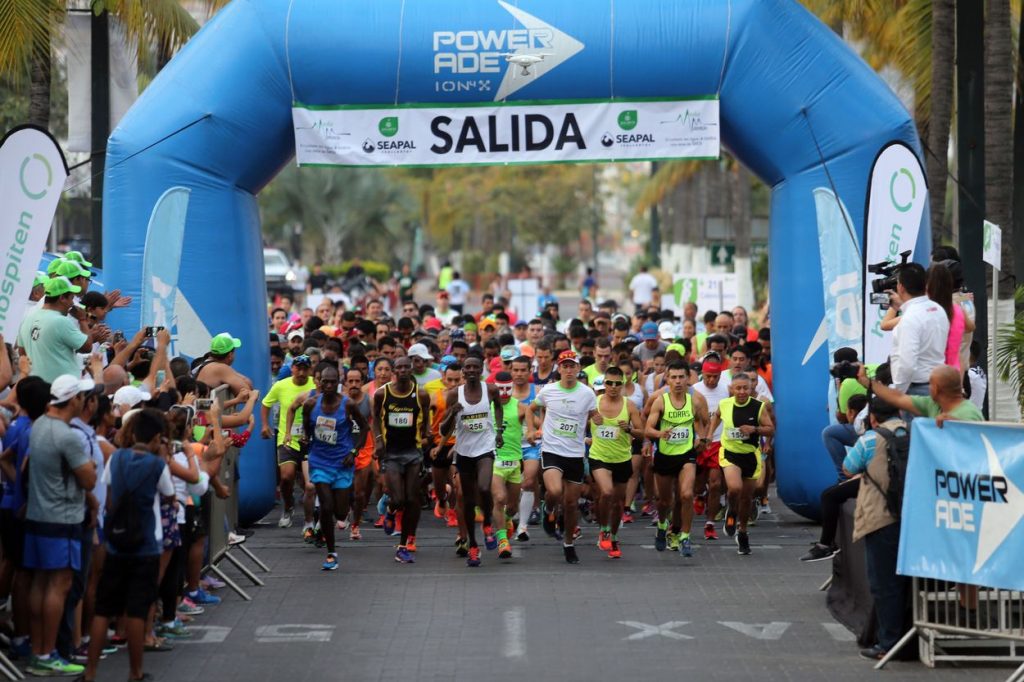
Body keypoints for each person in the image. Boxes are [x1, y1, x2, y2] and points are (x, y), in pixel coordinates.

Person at [80, 408, 174, 682]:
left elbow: (109, 497)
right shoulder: (157, 465)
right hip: (146, 544)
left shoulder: (117, 458)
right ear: (157, 438)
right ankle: (134, 672)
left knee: (103, 609)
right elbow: (168, 496)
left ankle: (91, 672)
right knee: (136, 609)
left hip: (117, 542)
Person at [23, 375, 97, 677]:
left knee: (41, 585)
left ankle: (39, 651)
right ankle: (47, 652)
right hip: (62, 517)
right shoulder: (65, 435)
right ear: (75, 400)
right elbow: (89, 478)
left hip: (39, 515)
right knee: (59, 586)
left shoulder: (39, 424)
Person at [840, 397, 909, 660]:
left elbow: (848, 468)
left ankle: (888, 643)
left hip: (881, 517)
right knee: (906, 581)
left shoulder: (870, 439)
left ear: (872, 418)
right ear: (899, 412)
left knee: (884, 583)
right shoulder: (914, 435)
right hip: (911, 518)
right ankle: (906, 638)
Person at [531, 350, 600, 564]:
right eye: (565, 366)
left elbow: (592, 416)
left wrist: (596, 423)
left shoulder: (587, 393)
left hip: (575, 453)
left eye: (572, 366)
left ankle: (569, 543)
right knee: (554, 490)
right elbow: (531, 409)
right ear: (558, 369)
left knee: (571, 504)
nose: (569, 370)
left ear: (578, 369)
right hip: (552, 449)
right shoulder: (548, 391)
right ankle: (548, 508)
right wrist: (533, 429)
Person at [436, 356, 504, 567]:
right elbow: (444, 429)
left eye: (476, 367)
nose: (472, 370)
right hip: (464, 452)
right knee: (467, 500)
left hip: (485, 448)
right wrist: (452, 413)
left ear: (481, 369)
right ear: (463, 372)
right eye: (468, 367)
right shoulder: (455, 394)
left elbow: (499, 408)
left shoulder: (490, 390)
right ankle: (473, 546)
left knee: (484, 487)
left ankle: (487, 525)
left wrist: (499, 430)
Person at [300, 366, 370, 571]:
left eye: (332, 382)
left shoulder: (347, 405)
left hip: (342, 462)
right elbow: (306, 428)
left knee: (339, 513)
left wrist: (354, 452)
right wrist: (306, 440)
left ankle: (341, 514)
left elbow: (364, 427)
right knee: (326, 506)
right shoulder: (311, 405)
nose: (328, 385)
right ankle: (331, 553)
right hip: (319, 461)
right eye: (325, 382)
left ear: (338, 382)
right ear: (319, 383)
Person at [704, 372, 774, 555]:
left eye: (745, 388)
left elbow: (770, 429)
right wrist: (711, 433)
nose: (742, 391)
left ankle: (742, 532)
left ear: (751, 389)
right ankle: (731, 511)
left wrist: (755, 429)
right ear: (731, 389)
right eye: (738, 388)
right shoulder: (725, 404)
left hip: (750, 456)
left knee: (747, 498)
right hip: (730, 453)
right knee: (734, 488)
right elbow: (717, 416)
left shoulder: (758, 407)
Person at [645, 361, 710, 556]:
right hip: (665, 455)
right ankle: (663, 525)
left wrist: (701, 439)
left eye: (682, 377)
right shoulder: (660, 401)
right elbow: (648, 429)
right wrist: (659, 434)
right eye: (674, 377)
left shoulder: (695, 401)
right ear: (667, 379)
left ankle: (684, 536)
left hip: (686, 455)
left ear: (688, 378)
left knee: (687, 495)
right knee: (665, 501)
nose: (678, 381)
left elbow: (703, 423)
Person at [371, 356, 430, 563]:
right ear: (394, 370)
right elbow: (375, 419)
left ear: (410, 368)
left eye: (407, 366)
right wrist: (378, 441)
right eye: (400, 367)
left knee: (412, 499)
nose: (403, 370)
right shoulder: (382, 394)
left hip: (413, 452)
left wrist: (427, 433)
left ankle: (403, 545)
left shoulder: (420, 394)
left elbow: (426, 418)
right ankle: (389, 510)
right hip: (392, 453)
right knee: (398, 499)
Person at [589, 366, 644, 559]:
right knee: (606, 492)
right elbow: (578, 425)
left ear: (622, 385)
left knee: (618, 503)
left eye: (617, 384)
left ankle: (613, 535)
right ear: (604, 384)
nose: (613, 387)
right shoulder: (594, 403)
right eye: (609, 383)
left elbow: (641, 432)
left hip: (622, 458)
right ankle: (603, 529)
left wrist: (629, 429)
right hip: (599, 456)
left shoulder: (629, 406)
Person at [260, 355, 316, 531]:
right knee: (286, 476)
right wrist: (265, 425)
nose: (301, 372)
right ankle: (288, 506)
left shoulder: (315, 385)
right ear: (292, 368)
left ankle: (312, 516)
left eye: (305, 368)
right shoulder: (280, 385)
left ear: (310, 370)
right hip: (287, 437)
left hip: (311, 438)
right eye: (298, 368)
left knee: (311, 482)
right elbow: (265, 404)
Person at [17, 277, 109, 383]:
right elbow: (87, 347)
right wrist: (82, 319)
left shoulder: (28, 318)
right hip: (62, 388)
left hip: (37, 386)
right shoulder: (60, 321)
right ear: (62, 298)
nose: (72, 304)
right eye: (71, 298)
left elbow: (22, 354)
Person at [489, 371, 534, 559]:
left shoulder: (523, 408)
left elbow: (531, 431)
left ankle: (506, 521)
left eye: (508, 388)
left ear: (512, 387)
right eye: (501, 389)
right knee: (499, 498)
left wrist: (533, 435)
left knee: (512, 507)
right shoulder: (487, 407)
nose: (505, 392)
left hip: (515, 462)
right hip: (494, 460)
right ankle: (502, 541)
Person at [886, 263, 949, 395]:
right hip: (939, 384)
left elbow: (907, 364)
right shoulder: (938, 309)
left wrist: (898, 393)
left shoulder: (909, 318)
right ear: (925, 284)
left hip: (917, 389)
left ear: (900, 287)